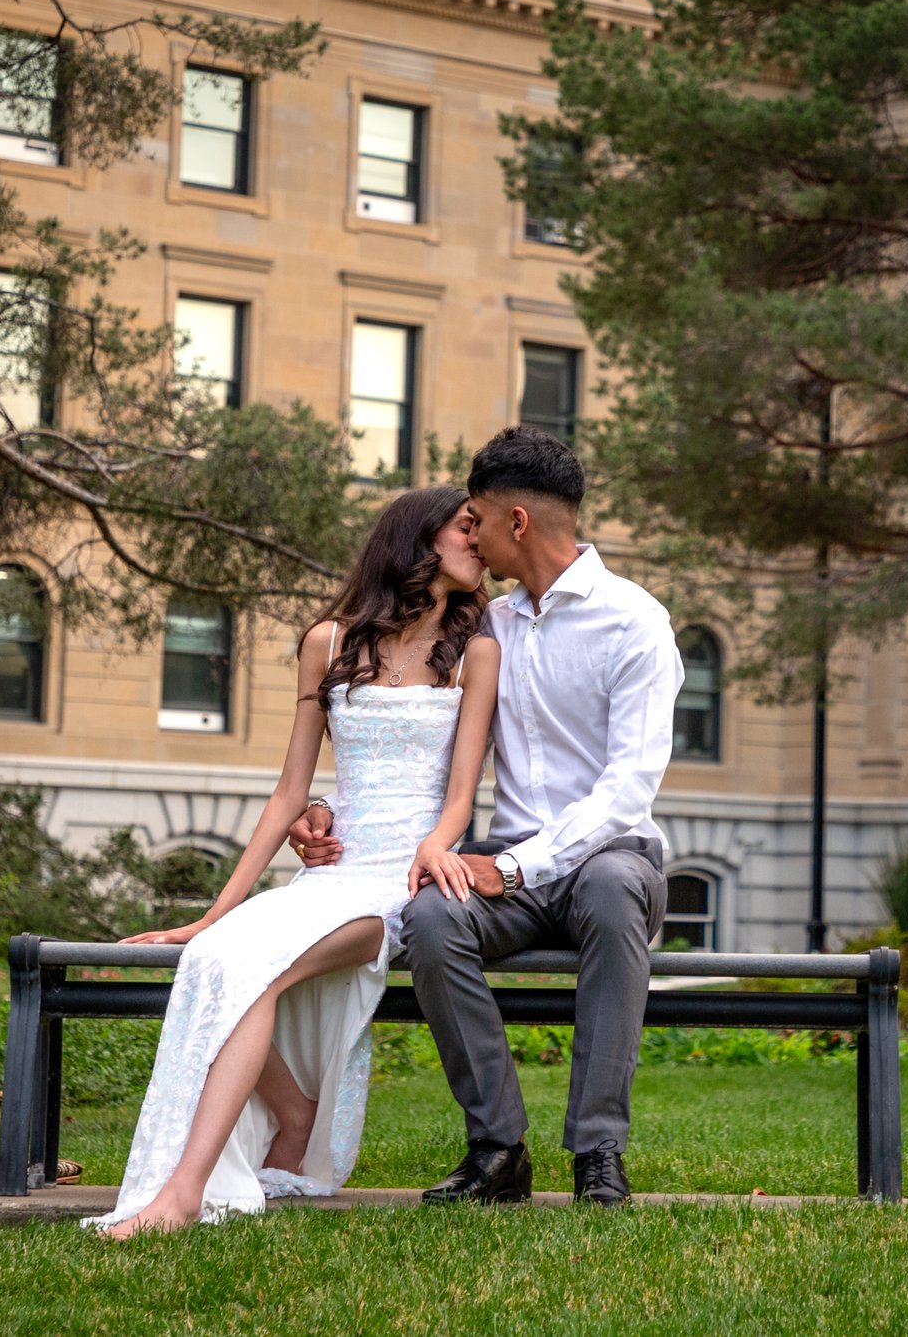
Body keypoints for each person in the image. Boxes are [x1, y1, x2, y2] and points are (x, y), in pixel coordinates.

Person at [88, 486, 497, 1237]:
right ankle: (291, 1110)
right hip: (329, 876)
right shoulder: (328, 640)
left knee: (258, 972)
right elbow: (289, 791)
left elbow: (462, 797)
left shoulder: (477, 649)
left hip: (403, 885)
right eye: (466, 527)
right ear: (419, 536)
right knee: (215, 953)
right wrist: (215, 912)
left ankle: (181, 1195)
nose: (481, 541)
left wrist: (434, 847)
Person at [290, 426, 681, 1208]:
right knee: (432, 918)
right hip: (510, 866)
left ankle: (598, 1152)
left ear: (518, 523)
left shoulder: (635, 622)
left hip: (611, 859)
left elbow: (627, 789)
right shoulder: (489, 627)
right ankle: (498, 1150)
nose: (469, 533)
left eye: (476, 518)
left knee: (606, 888)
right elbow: (417, 738)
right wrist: (330, 806)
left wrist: (510, 867)